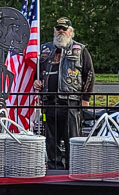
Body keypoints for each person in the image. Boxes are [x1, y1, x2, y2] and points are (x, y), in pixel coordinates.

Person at [33, 17, 94, 170]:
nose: (61, 31)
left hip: (70, 101)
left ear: (70, 32)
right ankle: (55, 168)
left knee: (71, 138)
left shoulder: (80, 49)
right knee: (51, 139)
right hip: (49, 101)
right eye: (58, 28)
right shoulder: (45, 49)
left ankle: (73, 168)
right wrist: (37, 81)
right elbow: (38, 72)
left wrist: (85, 98)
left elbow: (89, 74)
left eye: (64, 29)